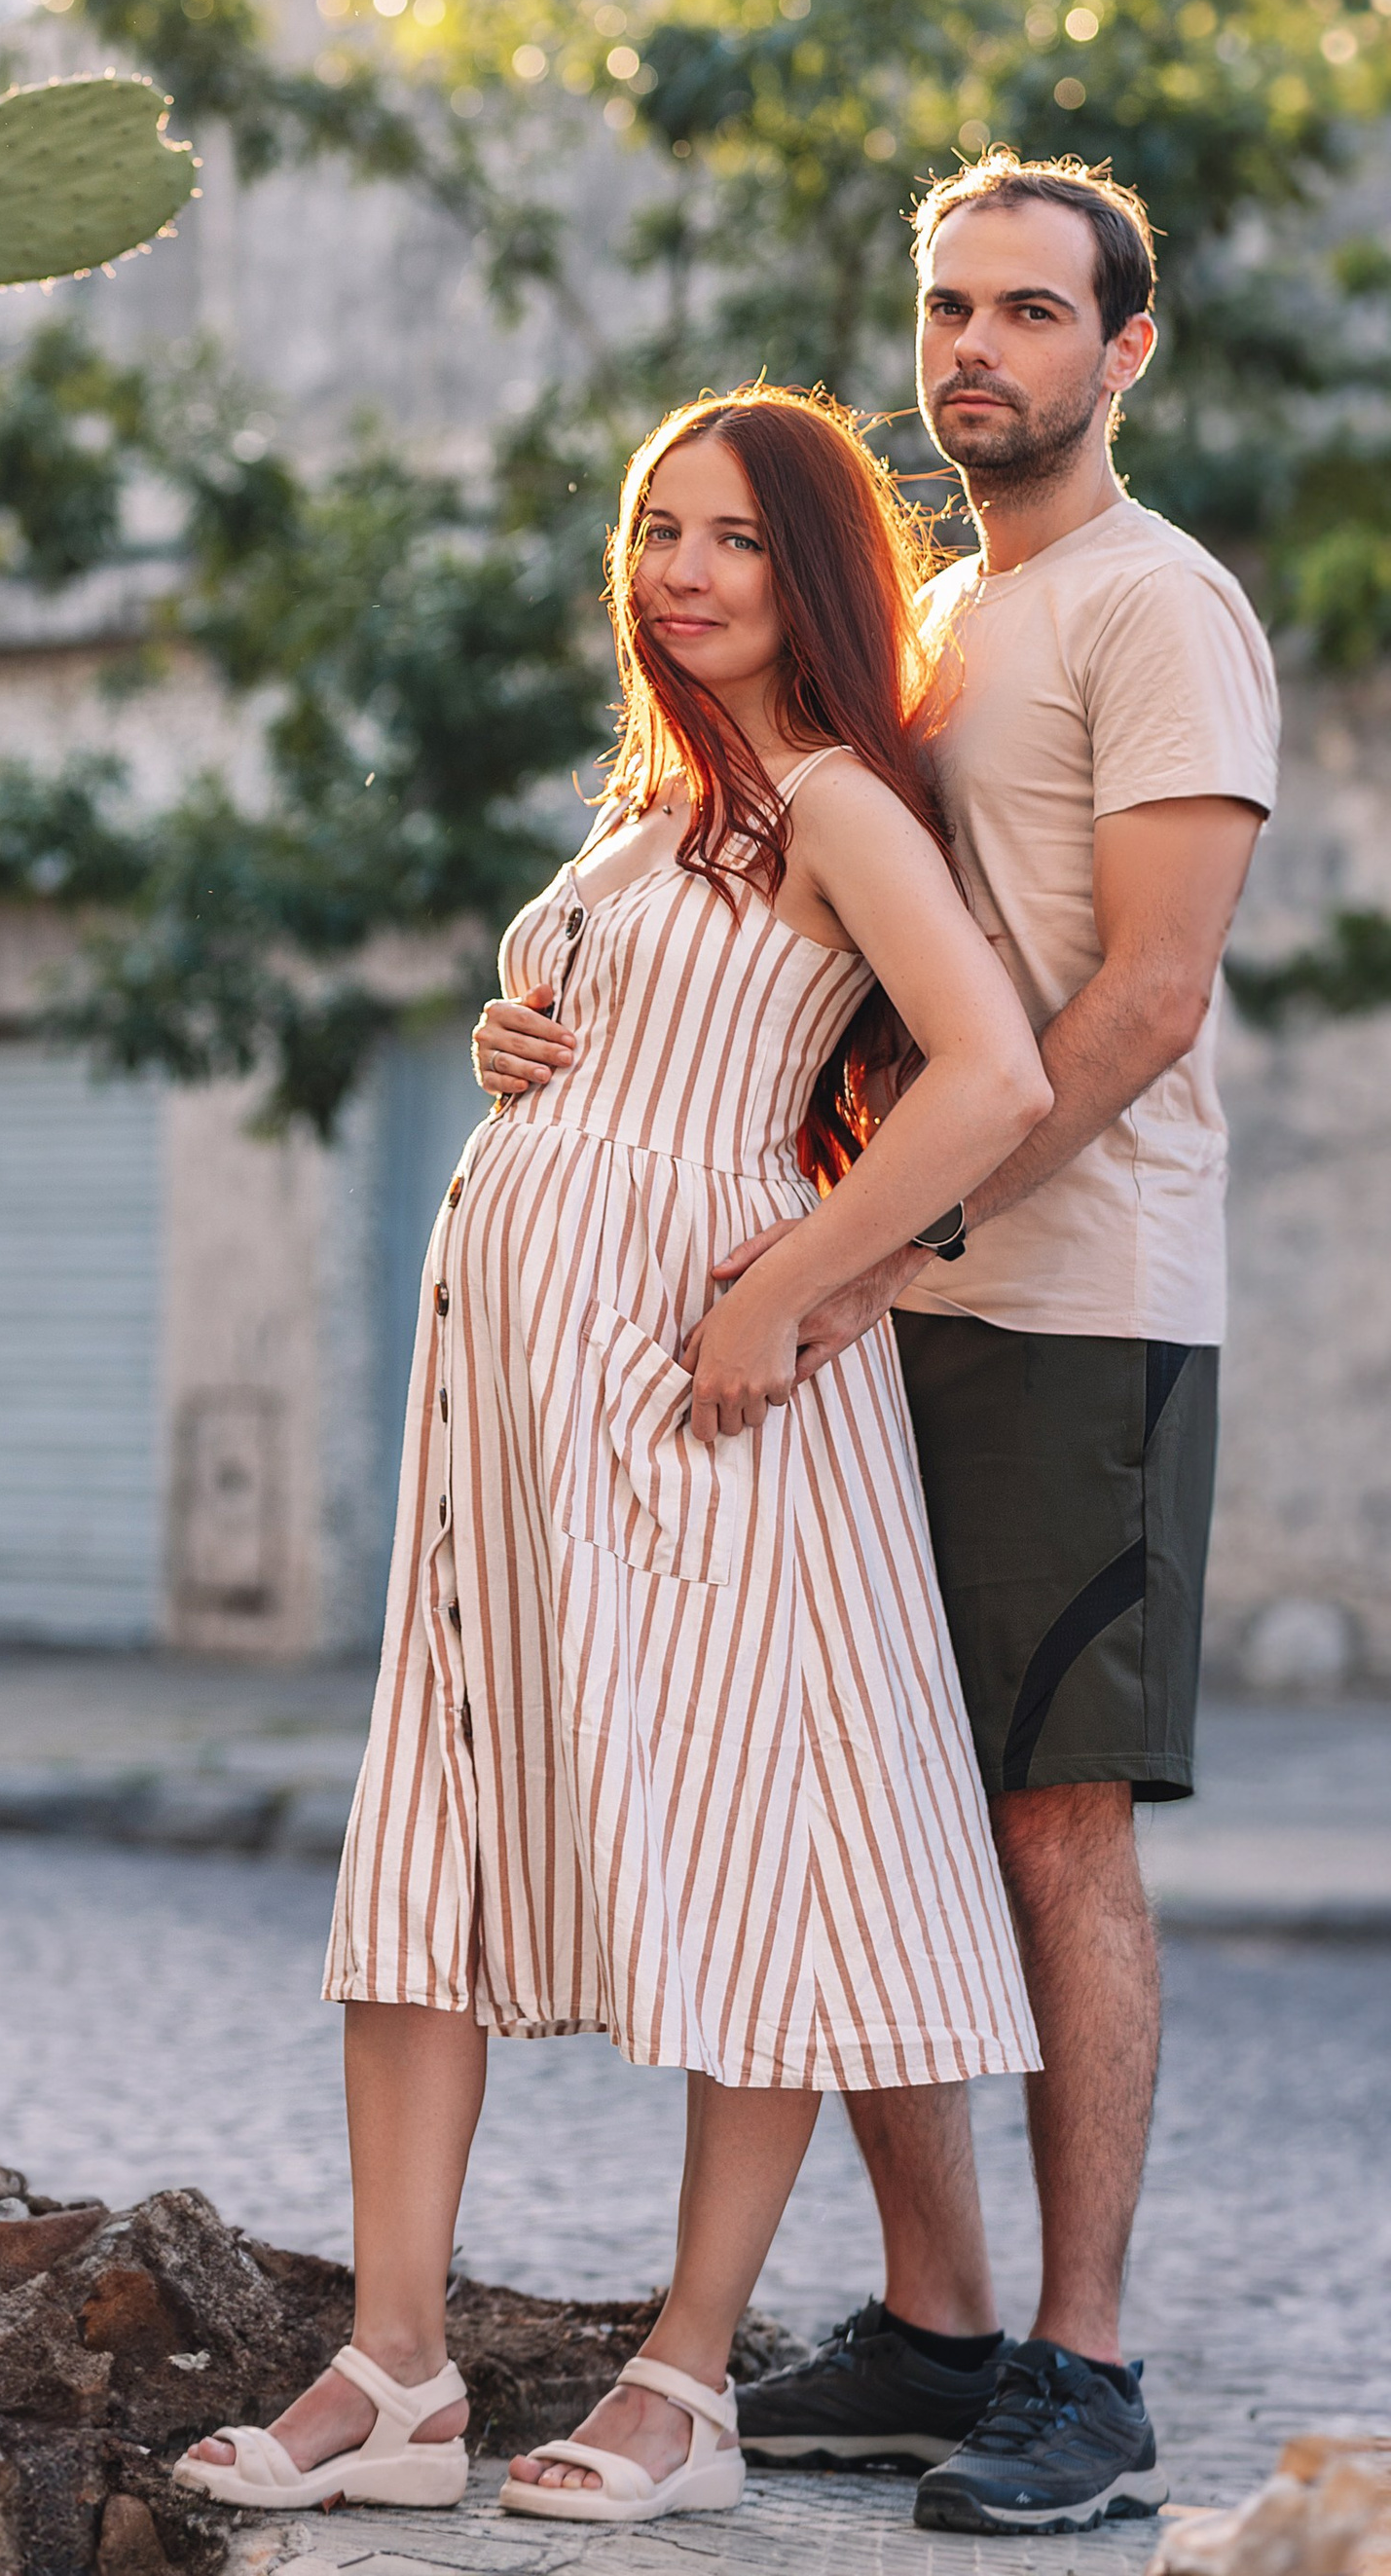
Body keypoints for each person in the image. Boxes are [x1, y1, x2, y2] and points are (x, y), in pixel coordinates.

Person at [177, 385, 1053, 2531]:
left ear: (815, 569)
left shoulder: (840, 800)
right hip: (516, 1412)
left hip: (703, 1385)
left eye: (733, 537)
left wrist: (788, 1287)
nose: (679, 570)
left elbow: (992, 1077)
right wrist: (517, 1035)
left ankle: (684, 2378)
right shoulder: (646, 812)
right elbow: (621, 1038)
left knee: (741, 1842)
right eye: (656, 529)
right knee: (432, 1849)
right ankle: (391, 2370)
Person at [721, 158, 1277, 2532]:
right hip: (889, 1292)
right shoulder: (927, 617)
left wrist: (881, 1241)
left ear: (1119, 350)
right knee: (873, 1813)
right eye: (946, 306)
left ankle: (1082, 2363)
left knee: (1053, 1834)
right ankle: (935, 2321)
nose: (976, 348)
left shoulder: (1159, 607)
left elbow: (1142, 997)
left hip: (1073, 1308)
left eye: (1029, 311)